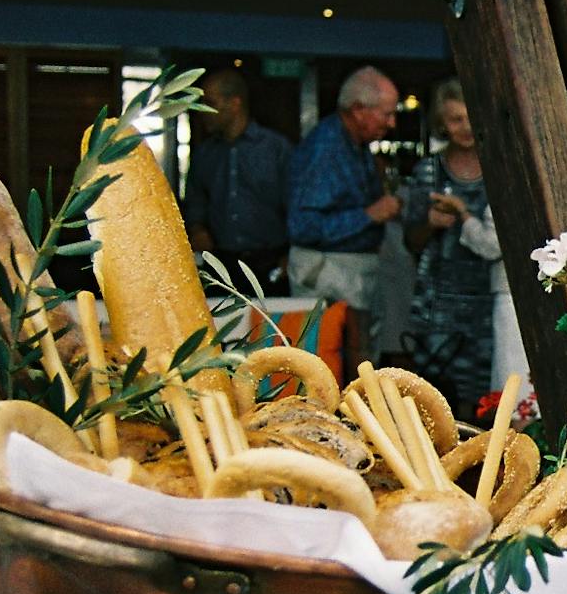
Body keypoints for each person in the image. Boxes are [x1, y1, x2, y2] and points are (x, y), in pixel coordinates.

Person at [403, 79, 530, 413]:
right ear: (441, 123)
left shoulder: (500, 171)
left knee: (490, 395)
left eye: (472, 117)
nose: (467, 127)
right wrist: (429, 223)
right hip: (439, 301)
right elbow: (409, 241)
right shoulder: (428, 170)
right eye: (456, 119)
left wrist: (465, 216)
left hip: (491, 298)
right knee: (434, 395)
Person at [287, 66, 402, 371]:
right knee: (332, 366)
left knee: (356, 361)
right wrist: (368, 214)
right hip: (328, 274)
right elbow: (303, 227)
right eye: (386, 114)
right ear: (359, 109)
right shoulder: (325, 150)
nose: (392, 123)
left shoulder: (356, 145)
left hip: (351, 274)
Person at [182, 68, 293, 292]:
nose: (202, 110)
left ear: (234, 103)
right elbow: (195, 200)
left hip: (269, 262)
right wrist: (197, 228)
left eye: (209, 102)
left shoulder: (275, 149)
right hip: (220, 264)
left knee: (269, 326)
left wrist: (290, 255)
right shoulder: (205, 154)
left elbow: (296, 205)